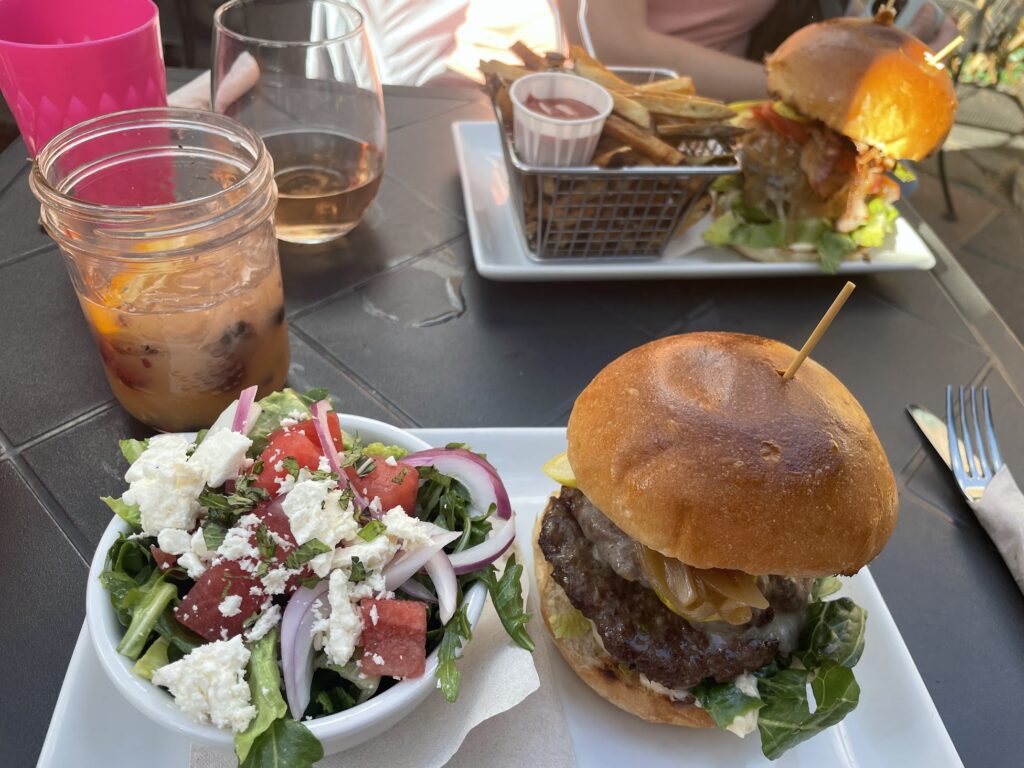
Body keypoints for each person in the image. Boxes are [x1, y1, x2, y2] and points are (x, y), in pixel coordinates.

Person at [560, 0, 960, 101]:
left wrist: (888, 42)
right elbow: (614, 49)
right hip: (602, 131)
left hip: (746, 136)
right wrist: (822, 92)